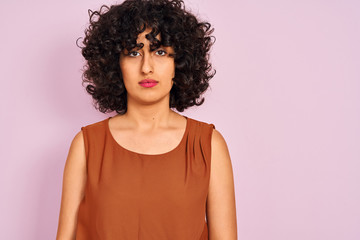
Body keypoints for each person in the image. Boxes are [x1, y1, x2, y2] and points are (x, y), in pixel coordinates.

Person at [56, 0, 237, 239]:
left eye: (160, 52)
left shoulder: (208, 145)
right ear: (115, 64)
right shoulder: (86, 145)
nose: (146, 67)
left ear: (178, 63)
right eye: (133, 53)